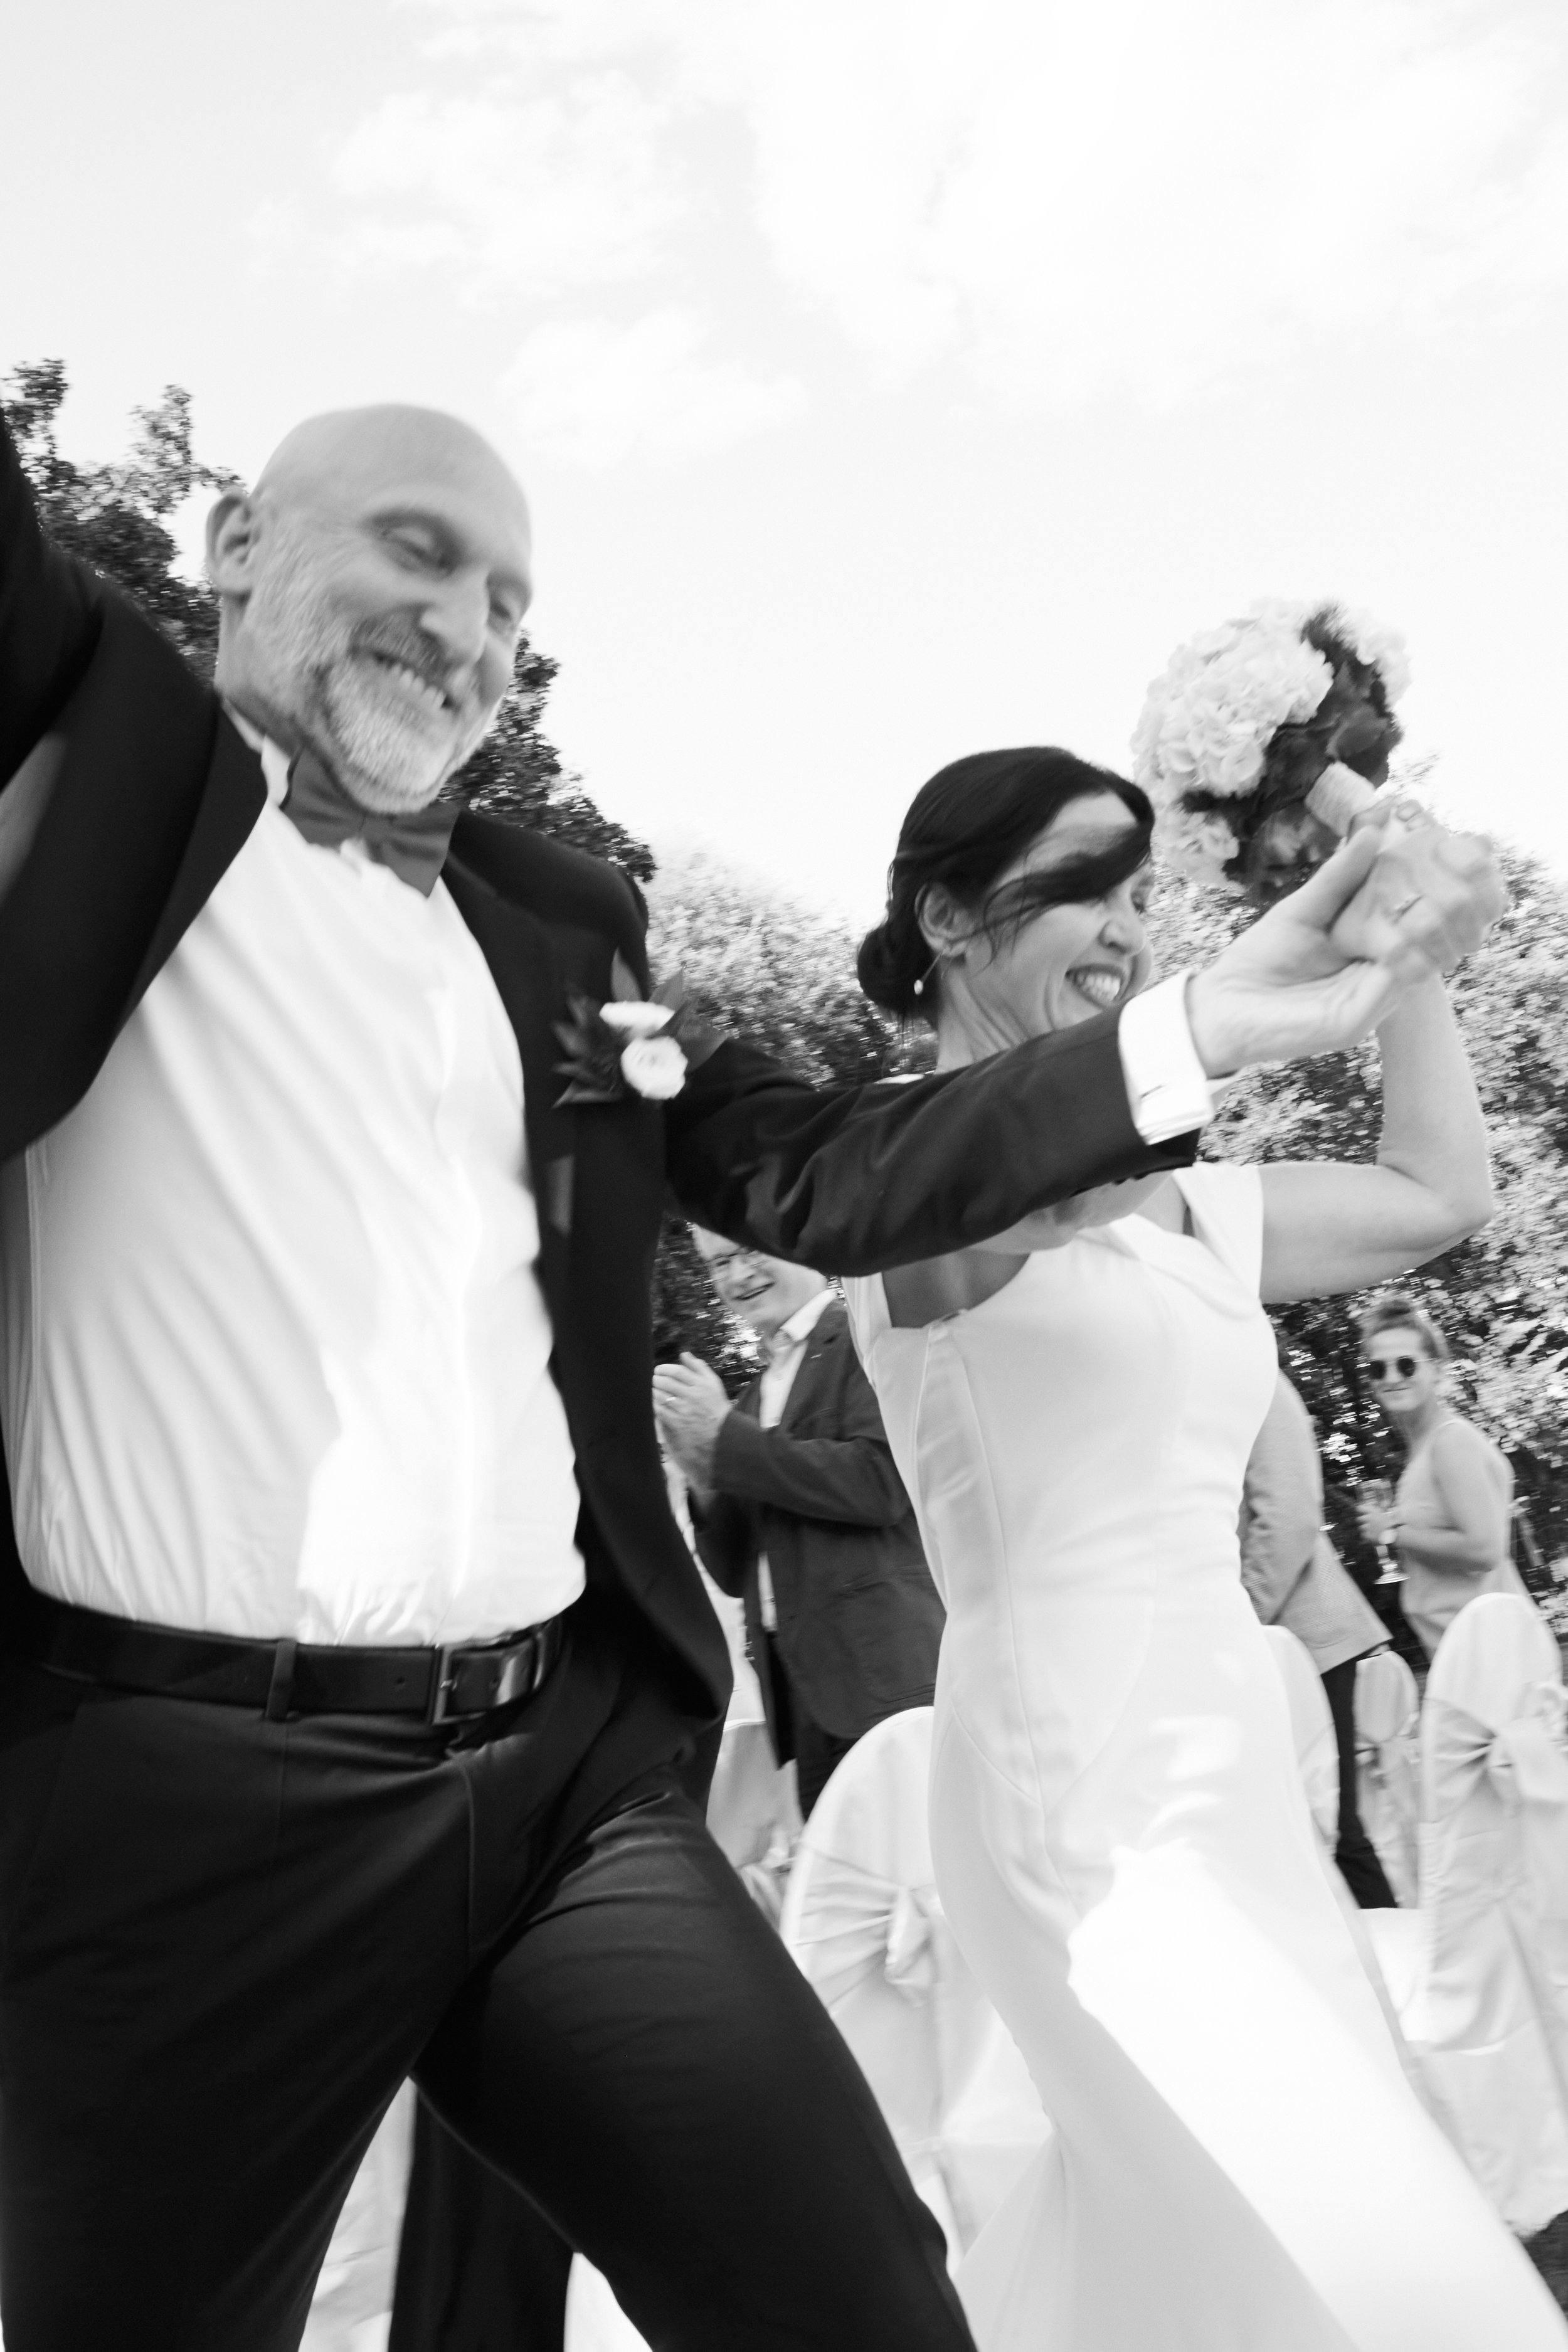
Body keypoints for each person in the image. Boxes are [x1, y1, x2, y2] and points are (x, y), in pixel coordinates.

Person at [0, 397, 1500, 2352]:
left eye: (511, 595)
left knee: (858, 2297)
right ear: (224, 545)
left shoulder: (556, 918)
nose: (468, 625)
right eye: (417, 550)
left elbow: (821, 1168)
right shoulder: (99, 752)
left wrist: (1207, 1017)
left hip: (556, 1788)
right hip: (187, 1809)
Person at [840, 746, 1563, 2348]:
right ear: (950, 915)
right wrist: (1197, 1041)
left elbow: (1436, 1188)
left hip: (1230, 1766)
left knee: (1205, 2259)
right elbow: (979, 1209)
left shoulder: (1190, 1210)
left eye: (1143, 892)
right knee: (1370, 2258)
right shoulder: (893, 1168)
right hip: (1073, 1776)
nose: (1127, 926)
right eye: (1081, 887)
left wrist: (1402, 943)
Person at [656, 1233, 943, 1816]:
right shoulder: (752, 1397)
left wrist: (726, 1443)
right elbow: (735, 1572)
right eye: (720, 1265)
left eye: (749, 1252)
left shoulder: (868, 1340)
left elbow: (883, 1483)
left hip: (887, 1683)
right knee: (843, 1900)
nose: (738, 1276)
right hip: (802, 1702)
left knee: (924, 1884)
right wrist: (705, 1478)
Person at [1239, 1368, 1397, 1908]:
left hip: (1311, 1641)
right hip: (1260, 1646)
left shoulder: (1257, 1382)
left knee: (1334, 1830)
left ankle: (1399, 1973)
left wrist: (1240, 1612)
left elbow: (1291, 1515)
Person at [1355, 1295, 1536, 1663]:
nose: (1391, 1378)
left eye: (1406, 1366)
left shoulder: (1451, 1442)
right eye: (1378, 1368)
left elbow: (1485, 1551)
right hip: (1465, 1656)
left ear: (1436, 1369)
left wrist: (1392, 1533)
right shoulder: (1426, 1450)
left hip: (1490, 1657)